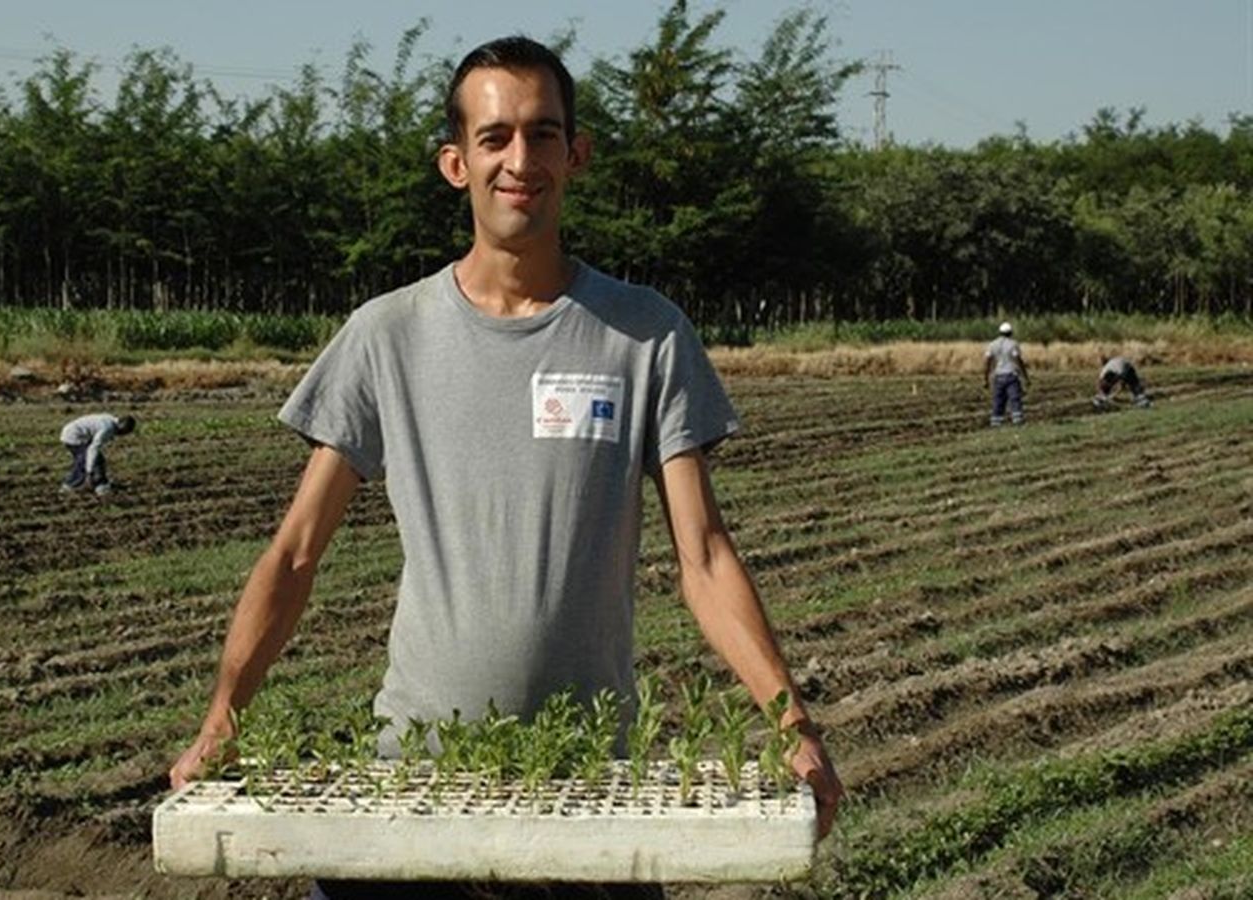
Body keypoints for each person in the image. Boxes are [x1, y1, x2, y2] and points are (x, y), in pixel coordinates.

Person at [167, 36, 842, 899]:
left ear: (577, 154)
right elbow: (296, 553)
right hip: (415, 787)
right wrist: (224, 718)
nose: (519, 160)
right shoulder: (388, 335)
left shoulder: (644, 332)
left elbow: (704, 558)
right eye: (494, 138)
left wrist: (792, 725)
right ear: (456, 163)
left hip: (590, 794)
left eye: (542, 134)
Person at [60, 412, 136, 495]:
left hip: (77, 433)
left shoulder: (110, 419)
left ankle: (101, 484)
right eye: (122, 432)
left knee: (96, 460)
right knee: (85, 461)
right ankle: (70, 485)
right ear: (121, 427)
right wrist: (89, 471)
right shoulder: (107, 429)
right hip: (73, 436)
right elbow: (93, 448)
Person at [983, 321, 1030, 426]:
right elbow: (1018, 359)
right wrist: (1025, 377)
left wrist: (986, 378)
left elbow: (987, 362)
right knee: (1014, 398)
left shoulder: (992, 345)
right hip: (1011, 375)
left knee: (998, 399)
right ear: (1010, 333)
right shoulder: (1013, 344)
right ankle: (1017, 420)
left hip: (998, 376)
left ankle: (996, 421)